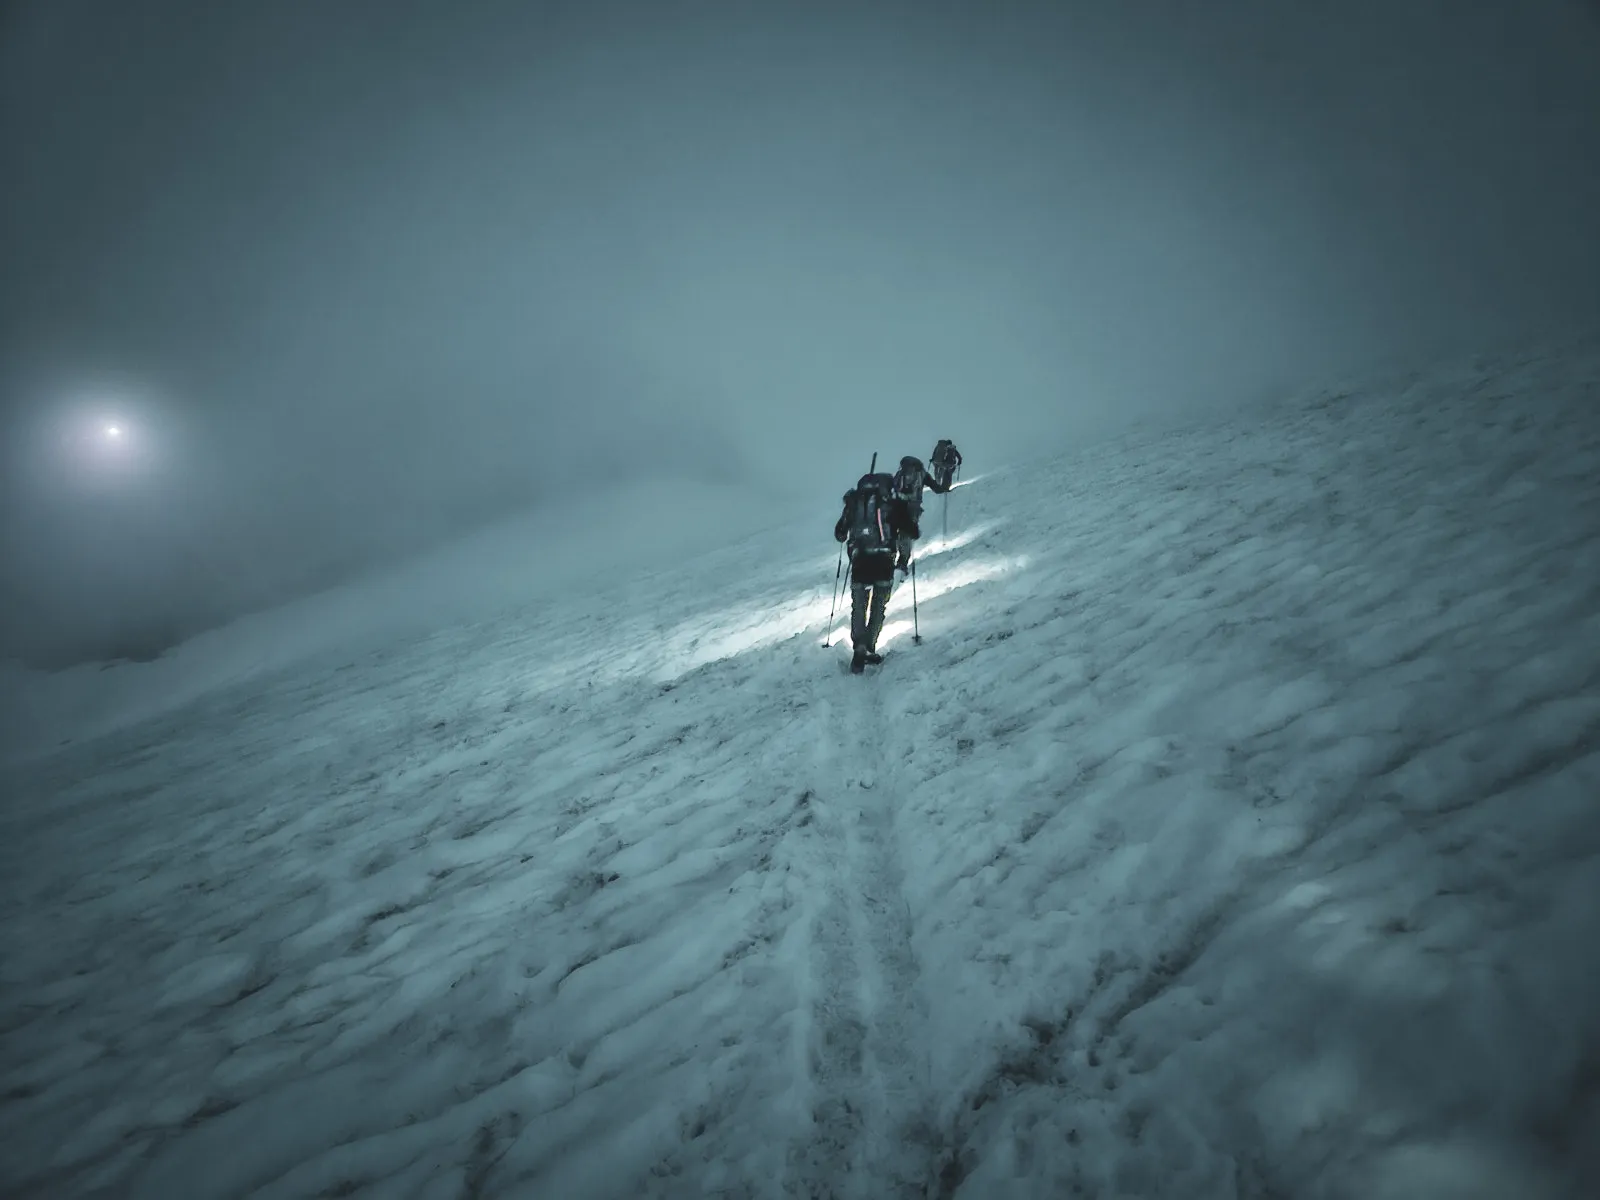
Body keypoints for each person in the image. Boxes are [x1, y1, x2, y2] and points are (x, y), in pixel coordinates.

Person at [834, 472, 918, 673]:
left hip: (860, 558)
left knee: (859, 604)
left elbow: (839, 533)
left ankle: (859, 646)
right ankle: (869, 646)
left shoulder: (854, 502)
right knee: (879, 603)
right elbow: (912, 531)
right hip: (884, 560)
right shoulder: (892, 502)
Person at [889, 454, 951, 571]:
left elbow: (892, 489)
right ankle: (902, 562)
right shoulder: (922, 473)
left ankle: (890, 558)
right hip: (914, 507)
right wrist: (944, 488)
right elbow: (935, 488)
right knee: (907, 533)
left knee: (893, 533)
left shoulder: (900, 473)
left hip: (897, 506)